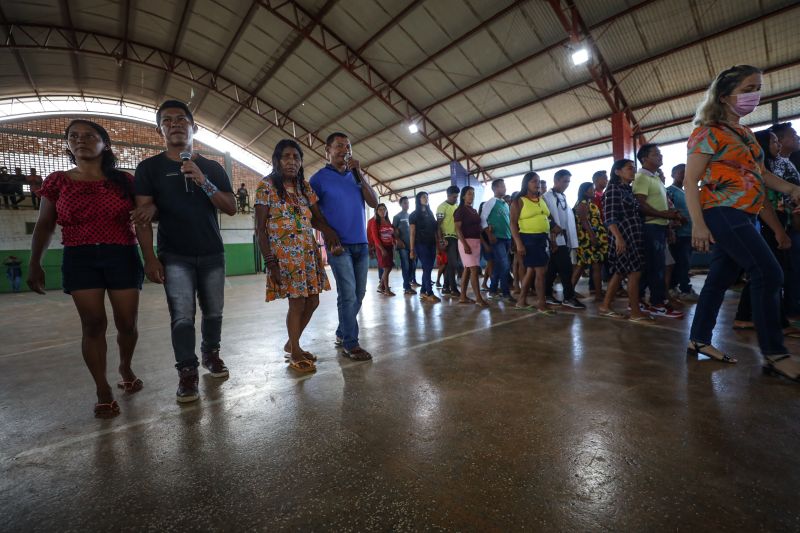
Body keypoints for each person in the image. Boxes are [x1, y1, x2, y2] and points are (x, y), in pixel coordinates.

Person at [28, 119, 151, 418]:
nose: (80, 140)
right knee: (93, 324)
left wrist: (152, 258)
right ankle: (103, 389)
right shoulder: (57, 181)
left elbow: (145, 218)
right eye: (73, 136)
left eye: (88, 136)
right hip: (80, 258)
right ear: (68, 144)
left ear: (104, 144)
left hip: (122, 253)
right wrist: (35, 263)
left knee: (127, 324)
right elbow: (44, 225)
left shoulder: (125, 181)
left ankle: (125, 366)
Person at [685, 64, 800, 378]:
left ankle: (698, 340)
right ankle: (774, 354)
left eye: (757, 88)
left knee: (719, 279)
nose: (755, 95)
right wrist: (698, 223)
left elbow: (760, 177)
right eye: (748, 89)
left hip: (747, 215)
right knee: (768, 272)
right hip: (722, 210)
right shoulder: (707, 132)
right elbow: (690, 180)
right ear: (724, 97)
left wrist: (792, 188)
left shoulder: (747, 135)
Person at [135, 99, 237, 403]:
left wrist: (204, 182)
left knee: (214, 311)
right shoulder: (149, 168)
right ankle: (187, 371)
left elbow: (230, 207)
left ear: (194, 127)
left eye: (181, 119)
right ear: (159, 130)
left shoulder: (211, 168)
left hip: (211, 253)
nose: (175, 124)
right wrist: (150, 258)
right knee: (182, 316)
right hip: (174, 254)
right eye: (167, 120)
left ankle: (211, 354)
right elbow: (141, 217)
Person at [254, 139, 335, 374]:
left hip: (308, 254)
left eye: (296, 158)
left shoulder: (305, 188)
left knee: (313, 301)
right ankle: (296, 351)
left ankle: (292, 342)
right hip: (284, 258)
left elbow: (317, 218)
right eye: (286, 157)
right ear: (277, 160)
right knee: (297, 302)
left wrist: (329, 232)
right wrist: (270, 262)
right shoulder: (265, 186)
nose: (292, 161)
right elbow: (260, 229)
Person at [310, 132, 379, 361]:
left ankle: (342, 332)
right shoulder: (318, 179)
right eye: (339, 146)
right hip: (339, 246)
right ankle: (351, 343)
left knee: (359, 293)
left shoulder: (355, 176)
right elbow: (311, 214)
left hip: (361, 243)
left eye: (348, 146)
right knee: (348, 294)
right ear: (327, 150)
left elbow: (374, 202)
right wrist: (328, 233)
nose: (344, 150)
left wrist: (359, 173)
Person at [732, 130, 799, 337]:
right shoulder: (761, 170)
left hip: (778, 222)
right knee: (771, 272)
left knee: (766, 272)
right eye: (773, 141)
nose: (777, 145)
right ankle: (777, 324)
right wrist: (779, 231)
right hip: (768, 224)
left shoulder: (772, 166)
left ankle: (745, 317)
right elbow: (764, 202)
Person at [632, 144, 685, 318]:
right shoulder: (641, 177)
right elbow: (640, 204)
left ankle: (642, 299)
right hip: (650, 226)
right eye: (656, 154)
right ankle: (657, 303)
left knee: (652, 266)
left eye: (660, 154)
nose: (660, 156)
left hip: (660, 226)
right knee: (657, 267)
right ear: (644, 158)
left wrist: (668, 222)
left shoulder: (655, 178)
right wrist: (663, 215)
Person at [598, 159, 650, 322]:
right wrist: (619, 238)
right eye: (629, 168)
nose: (633, 171)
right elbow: (609, 217)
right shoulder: (613, 189)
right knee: (634, 272)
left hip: (633, 235)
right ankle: (634, 311)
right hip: (624, 236)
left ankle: (605, 306)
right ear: (617, 172)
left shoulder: (627, 190)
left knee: (620, 272)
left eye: (633, 168)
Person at [510, 172, 552, 313]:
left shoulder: (541, 199)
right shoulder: (519, 200)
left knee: (531, 270)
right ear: (526, 183)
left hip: (542, 238)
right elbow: (513, 224)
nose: (537, 184)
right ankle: (541, 304)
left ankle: (521, 301)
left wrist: (552, 238)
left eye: (539, 181)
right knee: (540, 272)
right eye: (534, 181)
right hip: (529, 239)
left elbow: (546, 219)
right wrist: (519, 243)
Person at [542, 170, 585, 309]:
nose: (567, 184)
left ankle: (547, 294)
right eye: (565, 181)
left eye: (568, 181)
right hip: (556, 239)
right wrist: (553, 241)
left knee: (552, 270)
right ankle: (568, 297)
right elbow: (547, 218)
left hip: (564, 239)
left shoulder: (562, 196)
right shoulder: (546, 197)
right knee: (566, 269)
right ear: (556, 180)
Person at [571, 182, 609, 302]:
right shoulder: (582, 204)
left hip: (595, 236)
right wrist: (593, 237)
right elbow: (584, 222)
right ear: (585, 191)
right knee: (596, 266)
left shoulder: (589, 203)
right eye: (591, 189)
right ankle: (598, 295)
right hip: (588, 239)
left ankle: (569, 291)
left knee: (581, 265)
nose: (593, 191)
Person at [665, 164, 697, 301]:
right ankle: (684, 289)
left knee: (684, 262)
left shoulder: (687, 192)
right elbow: (668, 210)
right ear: (672, 175)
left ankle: (674, 287)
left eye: (686, 172)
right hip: (678, 234)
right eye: (680, 172)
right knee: (681, 263)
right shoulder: (669, 191)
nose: (683, 174)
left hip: (689, 233)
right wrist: (677, 221)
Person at [454, 186, 489, 307]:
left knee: (468, 270)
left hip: (476, 242)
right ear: (463, 196)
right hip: (466, 242)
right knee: (474, 269)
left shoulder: (473, 210)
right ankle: (479, 298)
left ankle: (462, 297)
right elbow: (457, 229)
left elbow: (478, 229)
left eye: (473, 194)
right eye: (469, 194)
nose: (472, 196)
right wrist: (465, 244)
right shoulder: (460, 210)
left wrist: (483, 242)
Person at [481, 179, 512, 301]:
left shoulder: (505, 204)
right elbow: (483, 219)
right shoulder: (491, 202)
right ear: (495, 189)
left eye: (504, 186)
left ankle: (493, 290)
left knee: (500, 266)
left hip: (507, 238)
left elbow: (508, 222)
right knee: (505, 265)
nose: (505, 189)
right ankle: (506, 293)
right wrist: (489, 235)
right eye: (502, 186)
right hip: (497, 238)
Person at [409, 191, 441, 303]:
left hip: (431, 243)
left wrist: (438, 243)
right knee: (427, 267)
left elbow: (435, 229)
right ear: (418, 199)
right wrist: (412, 250)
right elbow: (412, 233)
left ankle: (423, 291)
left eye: (427, 197)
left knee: (428, 268)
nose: (426, 199)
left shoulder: (430, 213)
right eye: (423, 197)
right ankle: (429, 292)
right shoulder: (413, 215)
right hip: (420, 244)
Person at [437, 185, 460, 296]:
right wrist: (441, 240)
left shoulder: (457, 206)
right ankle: (453, 289)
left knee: (451, 265)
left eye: (457, 197)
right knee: (453, 264)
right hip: (447, 238)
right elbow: (438, 225)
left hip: (456, 238)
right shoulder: (442, 207)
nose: (456, 199)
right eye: (454, 197)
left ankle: (446, 287)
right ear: (448, 195)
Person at [369, 203, 396, 296]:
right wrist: (382, 249)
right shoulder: (375, 222)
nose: (382, 211)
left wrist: (395, 239)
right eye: (380, 209)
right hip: (381, 248)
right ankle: (386, 289)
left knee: (389, 267)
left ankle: (381, 286)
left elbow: (392, 233)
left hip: (390, 247)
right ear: (376, 211)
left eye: (384, 209)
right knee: (386, 268)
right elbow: (376, 238)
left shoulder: (388, 221)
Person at [392, 196, 415, 295]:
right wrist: (398, 240)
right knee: (405, 266)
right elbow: (393, 231)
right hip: (403, 246)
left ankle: (408, 282)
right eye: (405, 203)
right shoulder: (397, 217)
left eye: (408, 203)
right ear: (401, 204)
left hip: (411, 246)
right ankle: (406, 287)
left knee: (412, 266)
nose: (407, 204)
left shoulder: (411, 216)